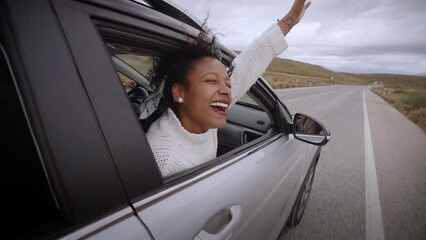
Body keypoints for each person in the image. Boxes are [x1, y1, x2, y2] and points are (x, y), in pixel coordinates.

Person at [146, 0, 311, 178]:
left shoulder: (201, 116)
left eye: (228, 83)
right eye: (211, 80)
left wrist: (291, 19)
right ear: (179, 92)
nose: (226, 90)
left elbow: (249, 64)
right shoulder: (162, 158)